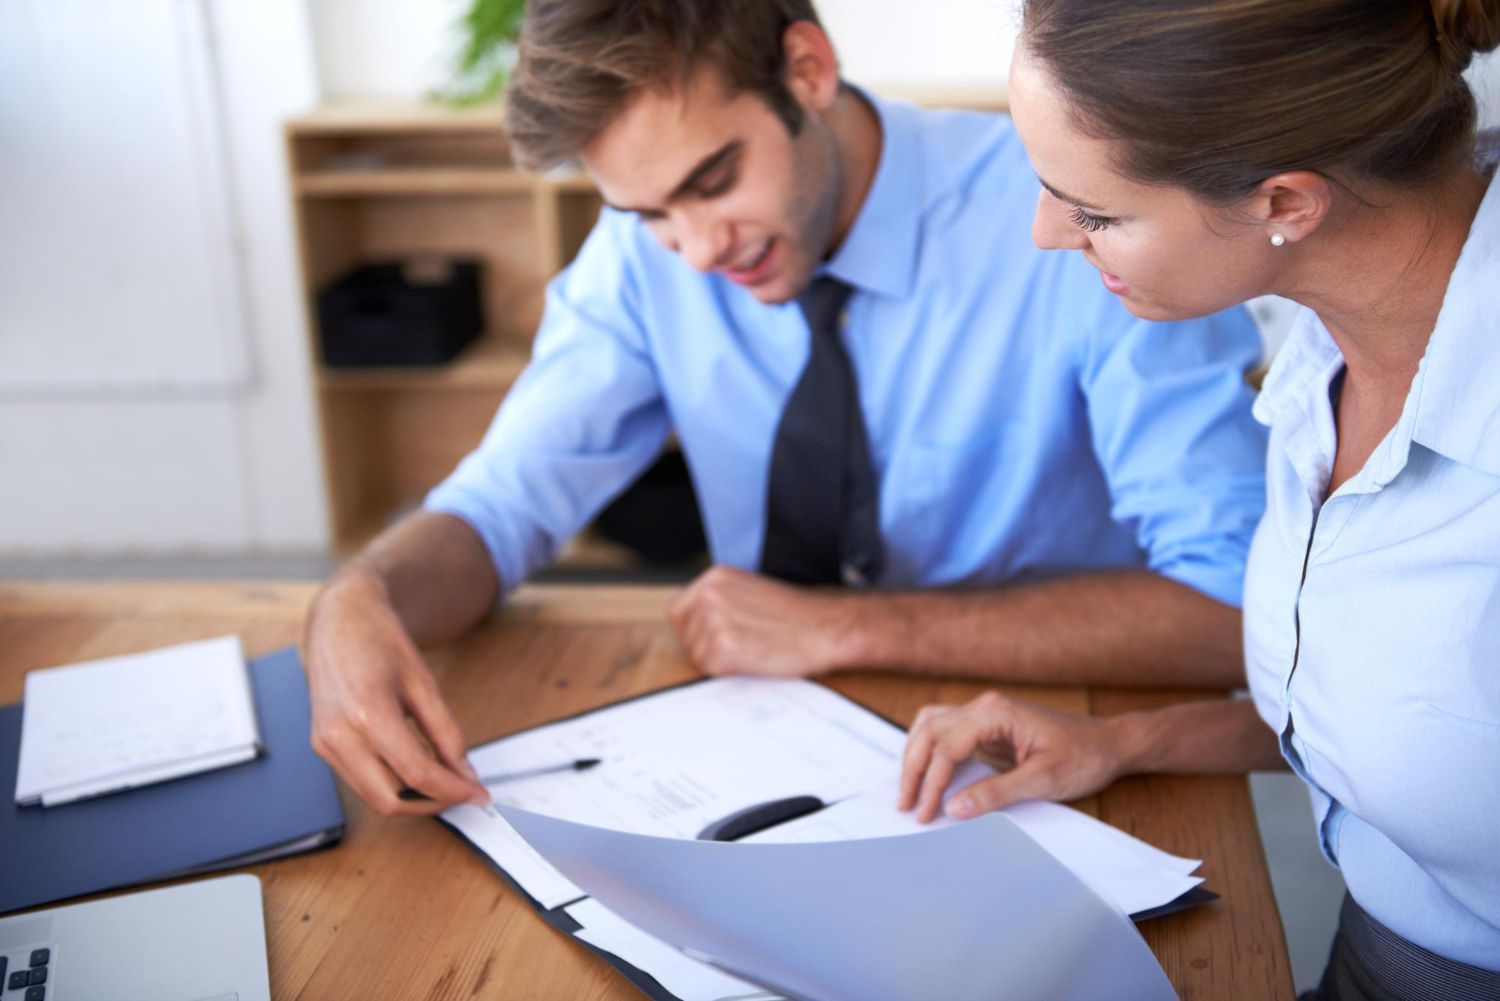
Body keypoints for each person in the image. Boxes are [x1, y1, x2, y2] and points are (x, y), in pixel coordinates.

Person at [305, 0, 1268, 817]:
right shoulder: (645, 254)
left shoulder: (1077, 224)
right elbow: (503, 504)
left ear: (806, 68)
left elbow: (1236, 612)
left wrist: (850, 625)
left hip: (1045, 755)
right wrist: (361, 597)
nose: (693, 249)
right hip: (763, 752)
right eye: (648, 212)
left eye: (712, 181)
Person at [900, 1, 1500, 995]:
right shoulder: (1324, 349)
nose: (1046, 233)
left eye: (1094, 211)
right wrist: (1129, 740)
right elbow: (1432, 727)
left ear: (1285, 204)